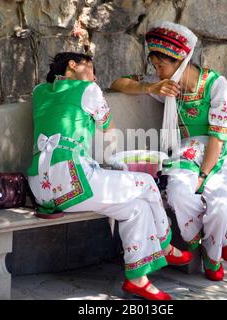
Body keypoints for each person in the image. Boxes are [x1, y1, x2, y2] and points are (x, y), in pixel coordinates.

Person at [27, 52, 193, 300]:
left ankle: (138, 280)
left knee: (135, 208)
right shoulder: (88, 89)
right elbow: (107, 127)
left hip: (40, 186)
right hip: (72, 181)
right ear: (73, 65)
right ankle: (166, 244)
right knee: (147, 183)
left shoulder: (40, 90)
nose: (94, 76)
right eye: (91, 68)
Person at [111, 21, 227, 281]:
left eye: (162, 66)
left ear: (180, 62)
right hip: (185, 151)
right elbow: (119, 83)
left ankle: (212, 254)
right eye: (155, 67)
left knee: (220, 204)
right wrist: (149, 88)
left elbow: (218, 137)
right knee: (179, 193)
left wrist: (203, 176)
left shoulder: (216, 85)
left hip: (218, 153)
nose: (158, 72)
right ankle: (213, 241)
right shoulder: (166, 86)